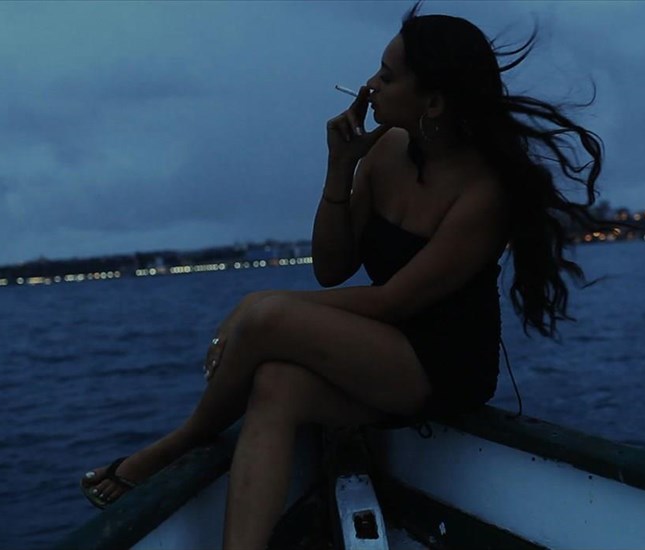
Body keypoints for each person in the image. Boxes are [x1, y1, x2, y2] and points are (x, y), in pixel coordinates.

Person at [80, 3, 612, 548]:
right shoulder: (387, 149)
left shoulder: (485, 191)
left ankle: (183, 441)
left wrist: (256, 305)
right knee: (275, 383)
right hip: (379, 344)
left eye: (388, 76)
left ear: (433, 101)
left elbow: (394, 302)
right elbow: (332, 269)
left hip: (442, 364)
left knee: (267, 319)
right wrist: (341, 166)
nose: (370, 85)